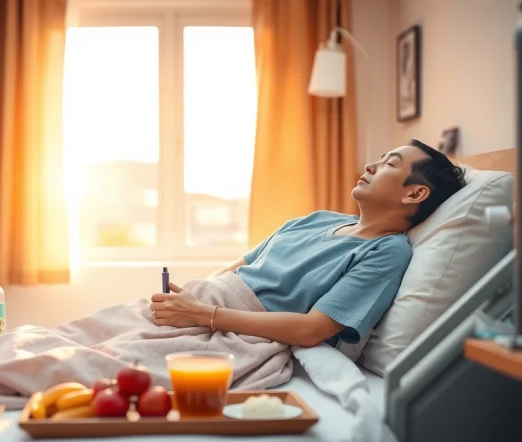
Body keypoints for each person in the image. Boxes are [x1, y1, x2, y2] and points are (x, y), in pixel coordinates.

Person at [149, 139, 467, 348]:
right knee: (104, 331)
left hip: (234, 333)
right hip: (203, 306)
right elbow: (239, 267)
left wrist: (204, 314)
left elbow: (312, 329)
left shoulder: (387, 251)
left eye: (390, 164)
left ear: (414, 194)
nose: (371, 165)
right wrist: (189, 300)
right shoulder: (317, 219)